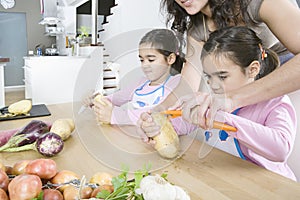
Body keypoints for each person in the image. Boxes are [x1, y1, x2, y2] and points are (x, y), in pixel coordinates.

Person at [137, 26, 297, 181]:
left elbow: (280, 149)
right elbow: (183, 123)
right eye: (209, 77)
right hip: (229, 182)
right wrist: (155, 125)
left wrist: (223, 118)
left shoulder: (275, 102)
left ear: (253, 69)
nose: (213, 85)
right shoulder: (211, 98)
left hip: (270, 187)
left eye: (222, 76)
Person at [156, 0, 300, 129]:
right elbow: (187, 84)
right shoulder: (198, 30)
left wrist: (232, 98)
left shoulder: (260, 3)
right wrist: (157, 112)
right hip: (249, 84)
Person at [91, 29, 185, 125]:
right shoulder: (140, 83)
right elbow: (116, 98)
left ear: (170, 59)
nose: (145, 65)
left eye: (151, 60)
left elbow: (157, 113)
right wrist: (97, 100)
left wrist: (116, 116)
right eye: (142, 60)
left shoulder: (176, 83)